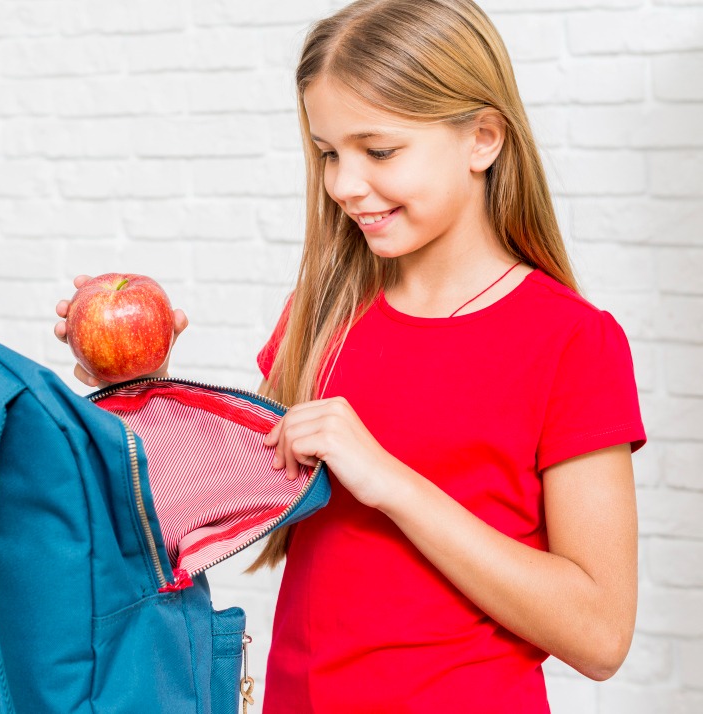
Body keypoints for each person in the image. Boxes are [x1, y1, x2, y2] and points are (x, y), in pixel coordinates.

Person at [55, 0, 646, 711]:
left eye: (380, 150)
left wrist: (390, 480)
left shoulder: (571, 341)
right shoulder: (327, 309)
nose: (342, 185)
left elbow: (600, 634)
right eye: (329, 153)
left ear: (482, 138)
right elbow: (217, 511)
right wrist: (136, 386)